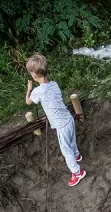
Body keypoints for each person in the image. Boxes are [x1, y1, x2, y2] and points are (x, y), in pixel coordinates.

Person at [25, 53, 86, 187]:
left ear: (34, 75)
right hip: (68, 119)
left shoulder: (37, 91)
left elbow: (28, 101)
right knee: (72, 140)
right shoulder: (54, 84)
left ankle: (77, 173)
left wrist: (29, 90)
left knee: (65, 150)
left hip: (60, 125)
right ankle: (77, 155)